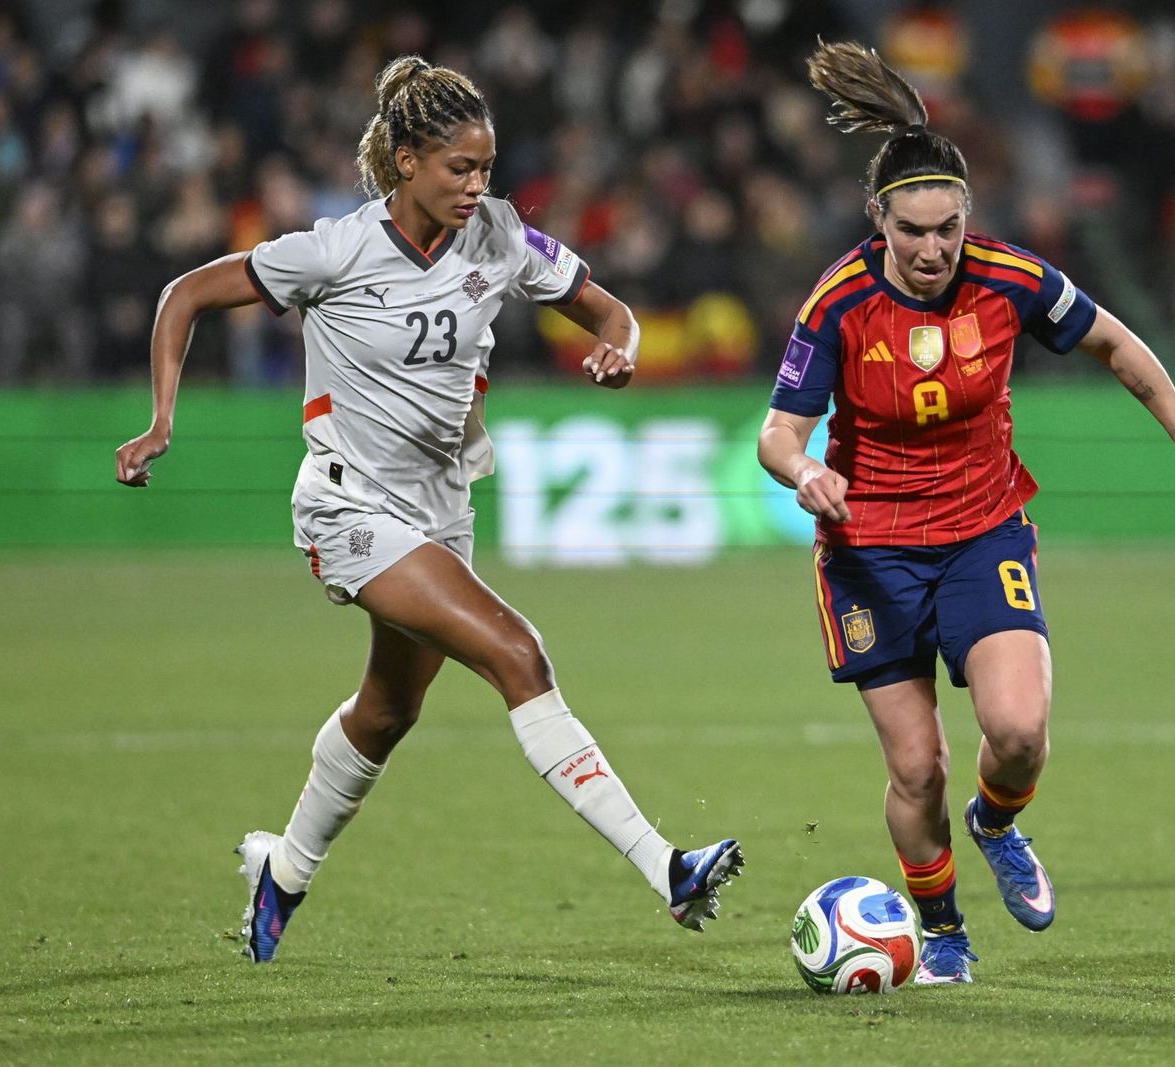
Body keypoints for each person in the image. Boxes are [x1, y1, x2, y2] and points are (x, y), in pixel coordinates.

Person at [114, 55, 742, 963]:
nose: (477, 185)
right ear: (405, 160)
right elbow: (185, 295)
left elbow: (615, 314)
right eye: (460, 168)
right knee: (518, 653)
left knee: (387, 710)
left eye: (487, 168)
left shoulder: (501, 236)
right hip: (349, 507)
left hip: (441, 511)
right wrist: (162, 418)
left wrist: (620, 349)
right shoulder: (333, 251)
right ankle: (667, 868)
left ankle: (282, 871)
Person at [757, 41, 1175, 986]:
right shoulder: (839, 302)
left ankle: (996, 822)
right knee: (917, 768)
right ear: (879, 219)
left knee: (1018, 734)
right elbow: (778, 433)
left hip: (984, 531)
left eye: (948, 227)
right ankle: (941, 932)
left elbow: (1113, 341)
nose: (934, 249)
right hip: (870, 553)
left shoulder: (1010, 278)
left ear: (966, 217)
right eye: (913, 230)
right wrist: (805, 472)